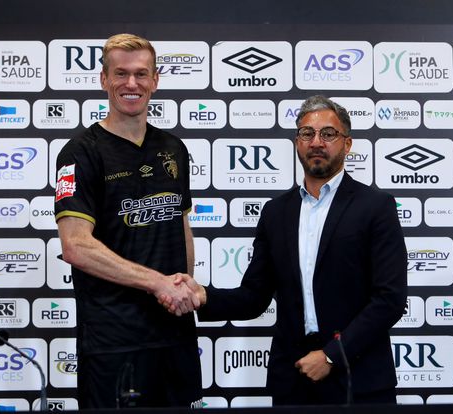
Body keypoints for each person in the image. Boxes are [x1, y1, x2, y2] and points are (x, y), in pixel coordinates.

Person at [165, 95, 407, 405]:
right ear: (297, 142)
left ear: (347, 144)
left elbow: (389, 299)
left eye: (328, 133)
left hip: (359, 380)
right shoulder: (276, 212)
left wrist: (332, 355)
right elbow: (254, 296)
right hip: (293, 381)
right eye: (307, 133)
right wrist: (203, 297)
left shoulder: (376, 206)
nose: (316, 142)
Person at [54, 33, 202, 409]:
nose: (131, 83)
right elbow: (75, 246)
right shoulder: (80, 152)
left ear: (155, 80)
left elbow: (181, 227)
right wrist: (158, 283)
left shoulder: (174, 148)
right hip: (114, 341)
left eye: (141, 74)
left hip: (174, 334)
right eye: (121, 73)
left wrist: (183, 287)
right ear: (104, 79)